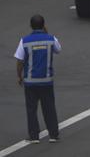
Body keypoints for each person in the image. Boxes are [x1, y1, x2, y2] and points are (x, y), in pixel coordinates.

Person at [14, 15, 61, 144]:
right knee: (49, 108)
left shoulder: (24, 41)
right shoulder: (51, 39)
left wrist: (19, 76)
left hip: (30, 82)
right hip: (46, 81)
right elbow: (58, 50)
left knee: (31, 109)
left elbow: (19, 60)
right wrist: (47, 34)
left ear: (31, 26)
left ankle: (34, 136)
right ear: (44, 25)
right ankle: (53, 135)